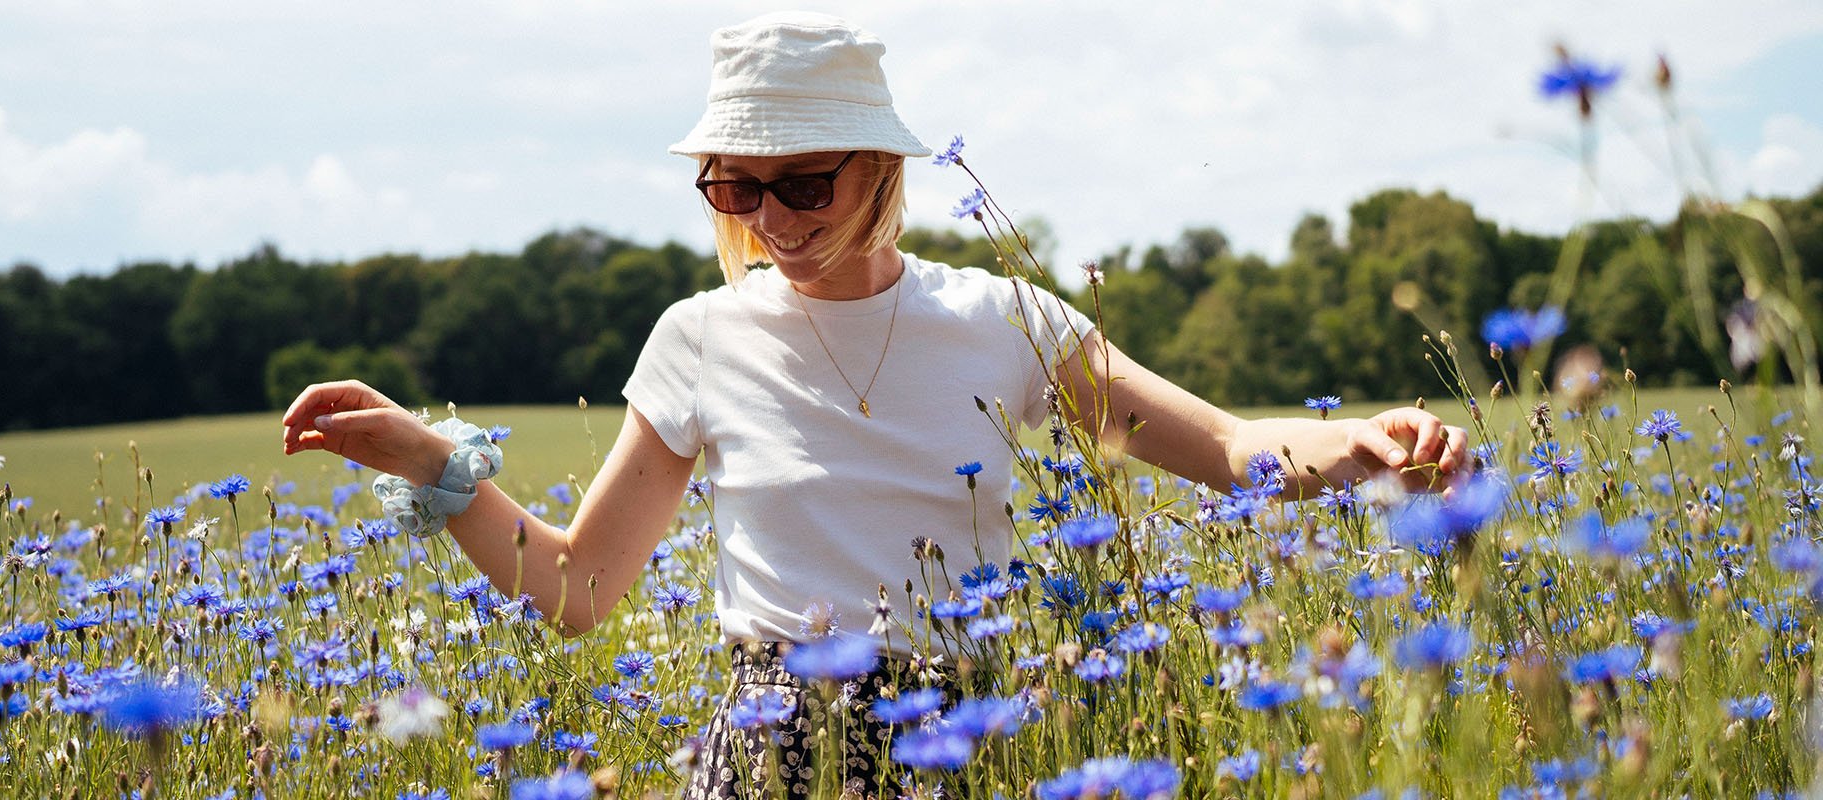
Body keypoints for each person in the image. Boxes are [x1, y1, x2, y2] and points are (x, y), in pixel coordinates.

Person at [280, 11, 1470, 797]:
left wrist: (1365, 443)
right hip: (770, 750)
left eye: (801, 181)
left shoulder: (1006, 320)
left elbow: (1225, 445)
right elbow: (578, 589)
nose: (773, 218)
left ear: (880, 167)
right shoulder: (696, 337)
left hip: (977, 737)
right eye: (737, 186)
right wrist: (429, 462)